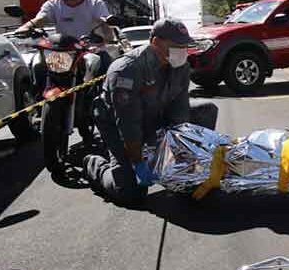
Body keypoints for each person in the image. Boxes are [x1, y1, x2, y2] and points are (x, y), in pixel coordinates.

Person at [84, 19, 219, 205]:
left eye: (184, 46)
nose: (182, 51)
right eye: (176, 46)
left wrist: (182, 154)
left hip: (155, 115)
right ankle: (95, 164)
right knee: (130, 193)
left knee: (207, 110)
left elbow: (180, 110)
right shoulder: (127, 70)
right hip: (117, 127)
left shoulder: (180, 65)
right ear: (155, 42)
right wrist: (138, 163)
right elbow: (127, 124)